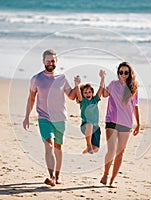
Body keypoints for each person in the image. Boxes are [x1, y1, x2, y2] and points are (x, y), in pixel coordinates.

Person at [23, 49, 79, 187]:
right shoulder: (36, 79)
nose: (50, 63)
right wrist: (26, 116)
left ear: (56, 61)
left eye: (53, 61)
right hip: (44, 117)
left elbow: (71, 96)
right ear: (43, 62)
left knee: (58, 147)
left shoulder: (62, 78)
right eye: (48, 61)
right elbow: (31, 98)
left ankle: (58, 176)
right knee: (49, 145)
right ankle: (52, 176)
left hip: (60, 118)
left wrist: (77, 85)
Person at [100, 61, 140, 188]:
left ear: (130, 73)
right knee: (111, 150)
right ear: (118, 73)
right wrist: (102, 79)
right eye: (121, 72)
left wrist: (138, 124)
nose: (123, 74)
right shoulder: (113, 84)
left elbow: (135, 106)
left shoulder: (134, 88)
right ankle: (105, 174)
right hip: (111, 120)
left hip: (126, 123)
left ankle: (112, 180)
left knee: (120, 152)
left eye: (126, 72)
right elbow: (104, 94)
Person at [76, 70, 106, 154]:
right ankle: (88, 145)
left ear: (92, 92)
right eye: (85, 92)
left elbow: (101, 89)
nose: (88, 93)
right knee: (89, 125)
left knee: (95, 149)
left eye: (89, 92)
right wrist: (77, 84)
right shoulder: (83, 101)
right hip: (85, 126)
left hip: (96, 127)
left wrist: (103, 77)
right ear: (82, 94)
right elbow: (78, 93)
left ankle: (85, 152)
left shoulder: (95, 100)